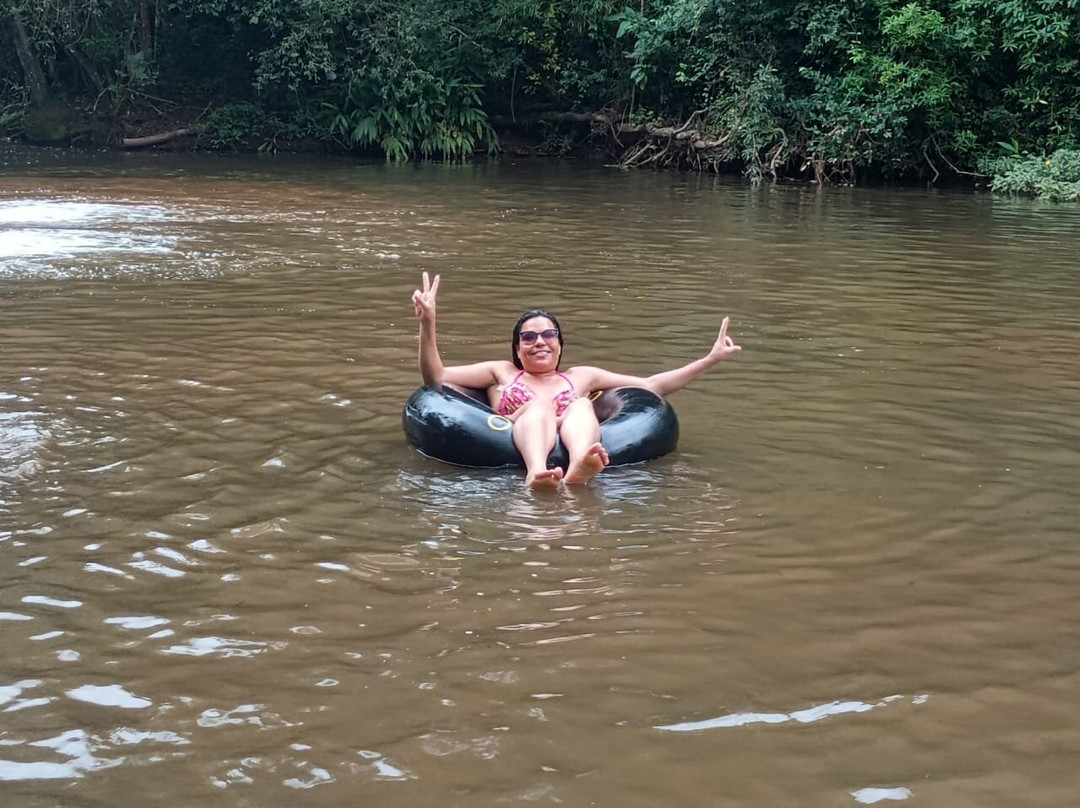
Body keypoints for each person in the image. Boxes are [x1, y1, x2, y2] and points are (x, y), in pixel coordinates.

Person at [412, 271, 741, 488]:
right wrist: (429, 324)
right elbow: (435, 378)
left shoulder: (581, 376)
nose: (539, 341)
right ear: (517, 348)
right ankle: (536, 473)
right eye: (528, 337)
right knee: (538, 407)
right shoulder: (502, 372)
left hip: (569, 433)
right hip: (517, 430)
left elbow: (652, 386)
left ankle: (579, 469)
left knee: (582, 404)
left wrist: (709, 360)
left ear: (559, 344)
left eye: (548, 334)